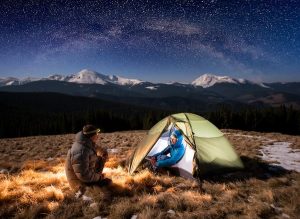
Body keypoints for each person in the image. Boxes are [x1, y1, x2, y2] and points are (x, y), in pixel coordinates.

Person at [65, 124, 111, 196]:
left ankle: (96, 179)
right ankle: (87, 192)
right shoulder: (81, 151)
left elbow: (96, 147)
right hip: (79, 184)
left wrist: (104, 153)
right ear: (92, 136)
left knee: (100, 159)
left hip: (83, 178)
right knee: (108, 183)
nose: (98, 135)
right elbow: (84, 175)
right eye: (96, 134)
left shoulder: (85, 143)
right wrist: (99, 178)